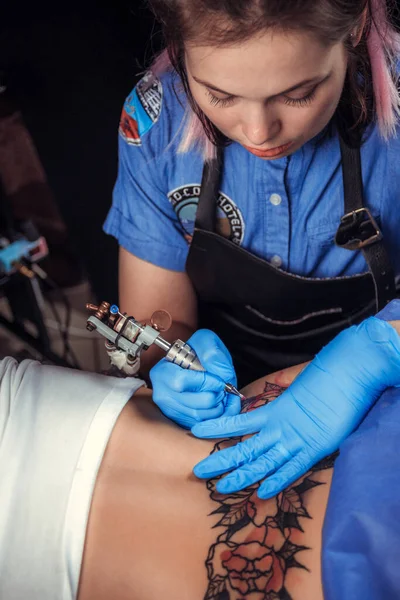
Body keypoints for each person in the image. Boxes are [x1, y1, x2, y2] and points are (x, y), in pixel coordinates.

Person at [104, 0, 400, 386]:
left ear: (357, 27)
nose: (258, 133)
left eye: (298, 94)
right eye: (221, 96)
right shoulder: (155, 122)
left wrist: (380, 354)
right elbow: (158, 327)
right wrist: (171, 370)